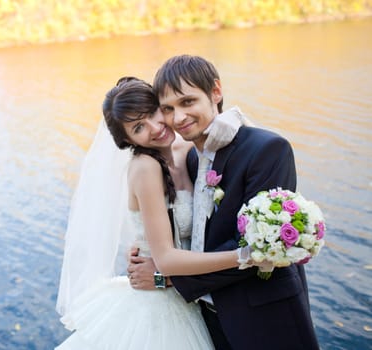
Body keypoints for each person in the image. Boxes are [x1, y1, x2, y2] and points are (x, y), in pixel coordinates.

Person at [127, 55, 319, 350]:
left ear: (215, 92)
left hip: (267, 317)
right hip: (209, 319)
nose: (178, 118)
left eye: (187, 102)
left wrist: (167, 279)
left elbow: (258, 251)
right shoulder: (192, 158)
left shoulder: (267, 149)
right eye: (168, 109)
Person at [55, 77, 253, 349]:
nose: (155, 127)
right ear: (127, 140)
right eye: (138, 127)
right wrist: (245, 256)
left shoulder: (187, 151)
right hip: (161, 308)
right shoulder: (145, 168)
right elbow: (168, 260)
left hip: (190, 297)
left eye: (152, 113)